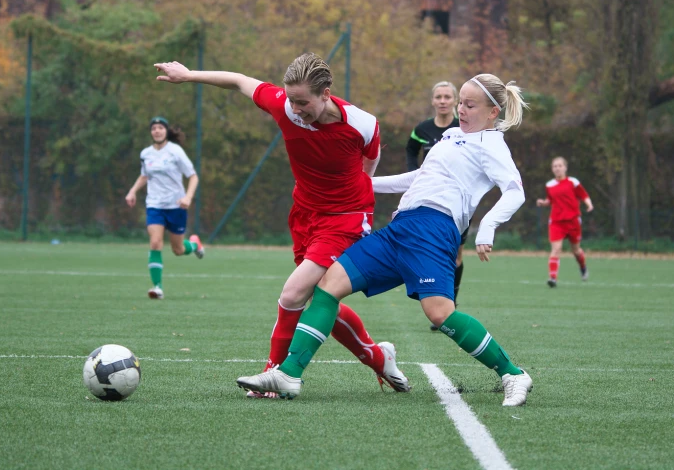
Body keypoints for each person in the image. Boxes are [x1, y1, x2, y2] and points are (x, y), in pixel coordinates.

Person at [237, 72, 534, 407]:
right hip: (400, 228)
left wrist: (488, 226)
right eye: (460, 103)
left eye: (469, 105)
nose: (461, 110)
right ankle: (289, 373)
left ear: (493, 112)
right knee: (328, 284)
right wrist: (359, 183)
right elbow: (419, 177)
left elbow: (514, 190)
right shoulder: (452, 136)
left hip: (434, 232)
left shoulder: (492, 144)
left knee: (439, 314)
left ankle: (513, 374)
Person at [154, 54, 410, 397]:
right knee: (319, 299)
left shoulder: (363, 123)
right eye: (291, 99)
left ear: (326, 93)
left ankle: (273, 374)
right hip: (305, 215)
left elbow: (371, 158)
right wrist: (188, 75)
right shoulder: (284, 106)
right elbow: (240, 80)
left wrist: (357, 195)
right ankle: (379, 357)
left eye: (303, 102)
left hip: (346, 218)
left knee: (293, 293)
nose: (295, 108)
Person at [406, 81, 467, 331]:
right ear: (433, 101)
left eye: (447, 97)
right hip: (430, 199)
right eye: (438, 97)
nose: (443, 101)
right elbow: (411, 150)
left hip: (458, 201)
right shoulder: (422, 129)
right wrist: (415, 174)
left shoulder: (463, 128)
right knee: (434, 251)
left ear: (455, 101)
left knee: (456, 254)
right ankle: (442, 305)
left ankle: (451, 303)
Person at [125, 117, 204, 300]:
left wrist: (188, 197)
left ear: (166, 131)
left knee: (178, 249)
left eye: (160, 128)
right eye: (154, 128)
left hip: (176, 206)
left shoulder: (175, 151)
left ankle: (194, 244)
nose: (157, 131)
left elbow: (193, 176)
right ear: (151, 132)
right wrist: (132, 191)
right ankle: (157, 288)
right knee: (155, 242)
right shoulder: (146, 153)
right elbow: (144, 176)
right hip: (154, 205)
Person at [536, 156, 594, 288]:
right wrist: (543, 202)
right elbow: (550, 200)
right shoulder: (549, 185)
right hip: (556, 222)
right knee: (556, 250)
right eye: (555, 166)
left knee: (576, 250)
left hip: (573, 221)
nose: (557, 168)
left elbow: (583, 195)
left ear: (565, 167)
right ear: (552, 169)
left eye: (560, 165)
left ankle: (583, 267)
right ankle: (553, 278)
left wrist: (589, 204)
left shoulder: (573, 182)